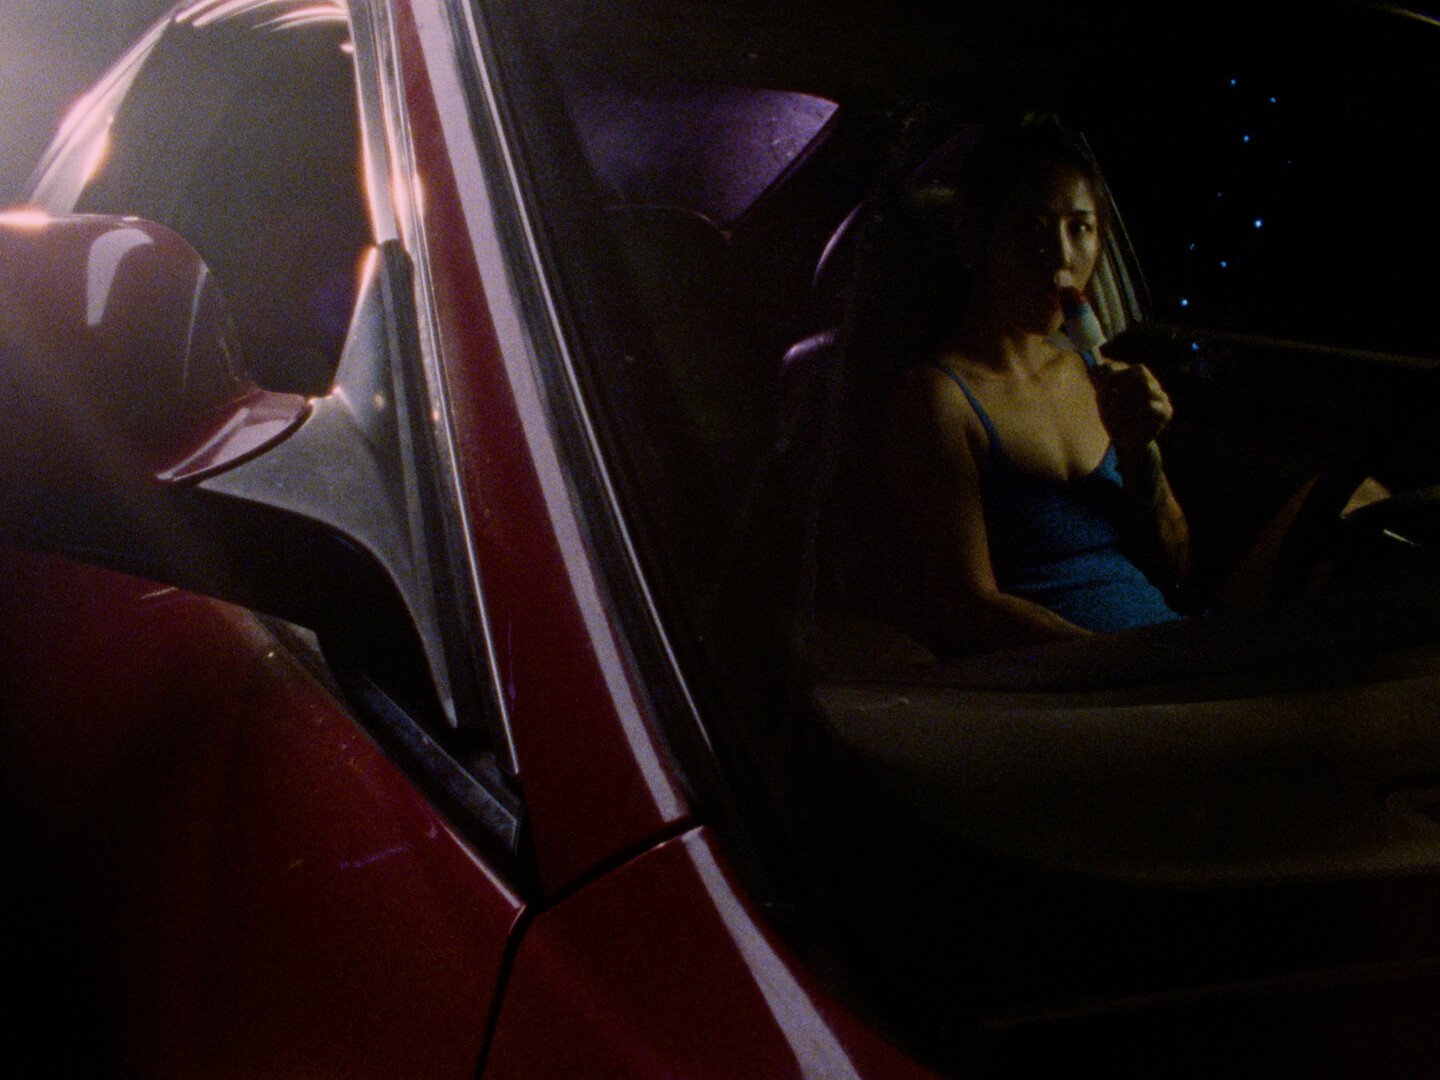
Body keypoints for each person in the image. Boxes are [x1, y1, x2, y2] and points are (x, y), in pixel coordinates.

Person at [820, 118, 1189, 655]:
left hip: (1172, 651)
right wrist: (1123, 663)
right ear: (977, 240)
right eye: (1030, 228)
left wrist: (1142, 454)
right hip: (1080, 679)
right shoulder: (937, 399)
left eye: (1080, 228)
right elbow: (970, 607)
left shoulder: (1100, 376)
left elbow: (1177, 570)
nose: (1061, 257)